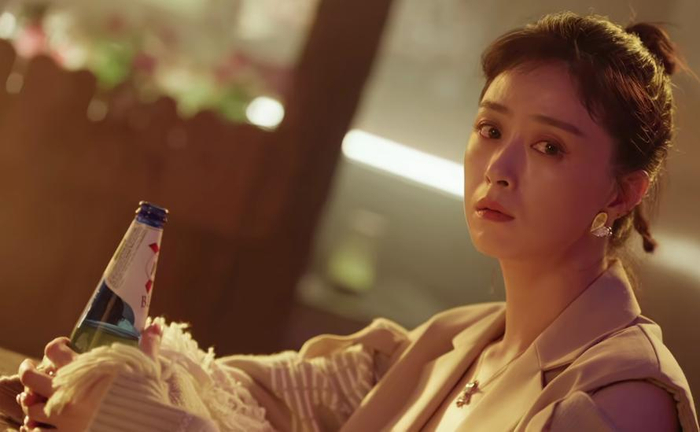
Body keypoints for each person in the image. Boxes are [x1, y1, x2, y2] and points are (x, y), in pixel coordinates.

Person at [10, 10, 700, 432]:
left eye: (549, 147)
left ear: (622, 192)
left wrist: (130, 414)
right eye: (491, 129)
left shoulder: (621, 401)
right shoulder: (447, 344)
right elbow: (258, 401)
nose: (500, 166)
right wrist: (113, 376)